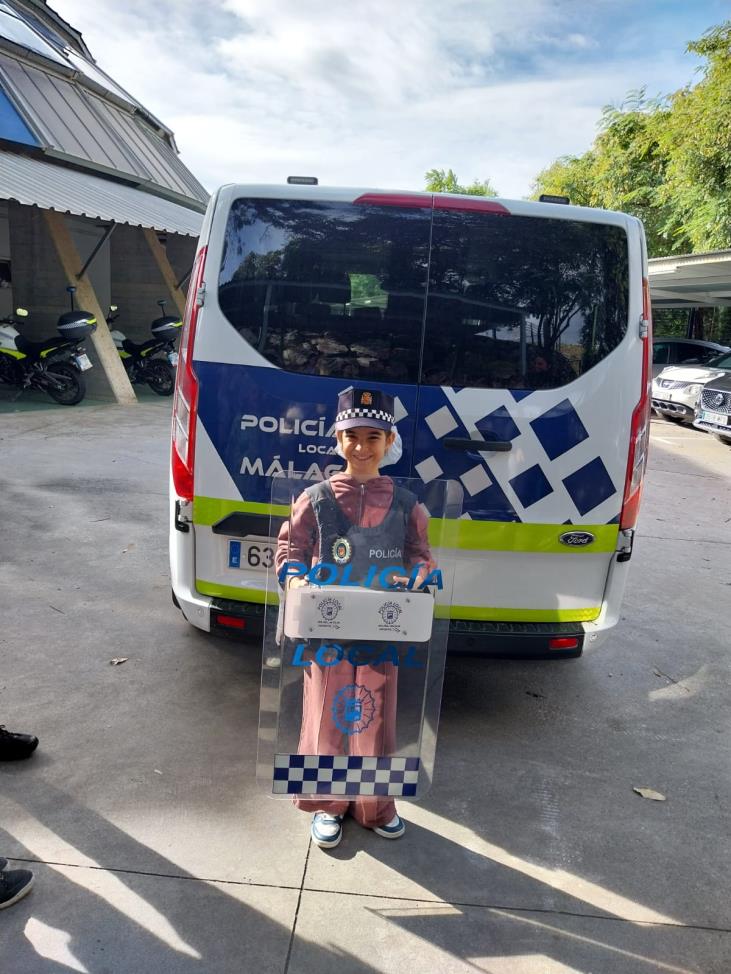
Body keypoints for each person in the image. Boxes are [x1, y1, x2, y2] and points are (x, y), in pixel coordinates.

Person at [276, 385, 434, 850]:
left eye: (373, 437)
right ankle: (326, 804)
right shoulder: (315, 498)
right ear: (337, 440)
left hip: (381, 629)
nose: (362, 448)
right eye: (352, 437)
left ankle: (374, 806)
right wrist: (295, 580)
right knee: (325, 718)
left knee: (375, 720)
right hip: (326, 632)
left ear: (389, 442)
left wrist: (419, 577)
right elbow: (290, 549)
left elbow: (420, 555)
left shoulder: (407, 503)